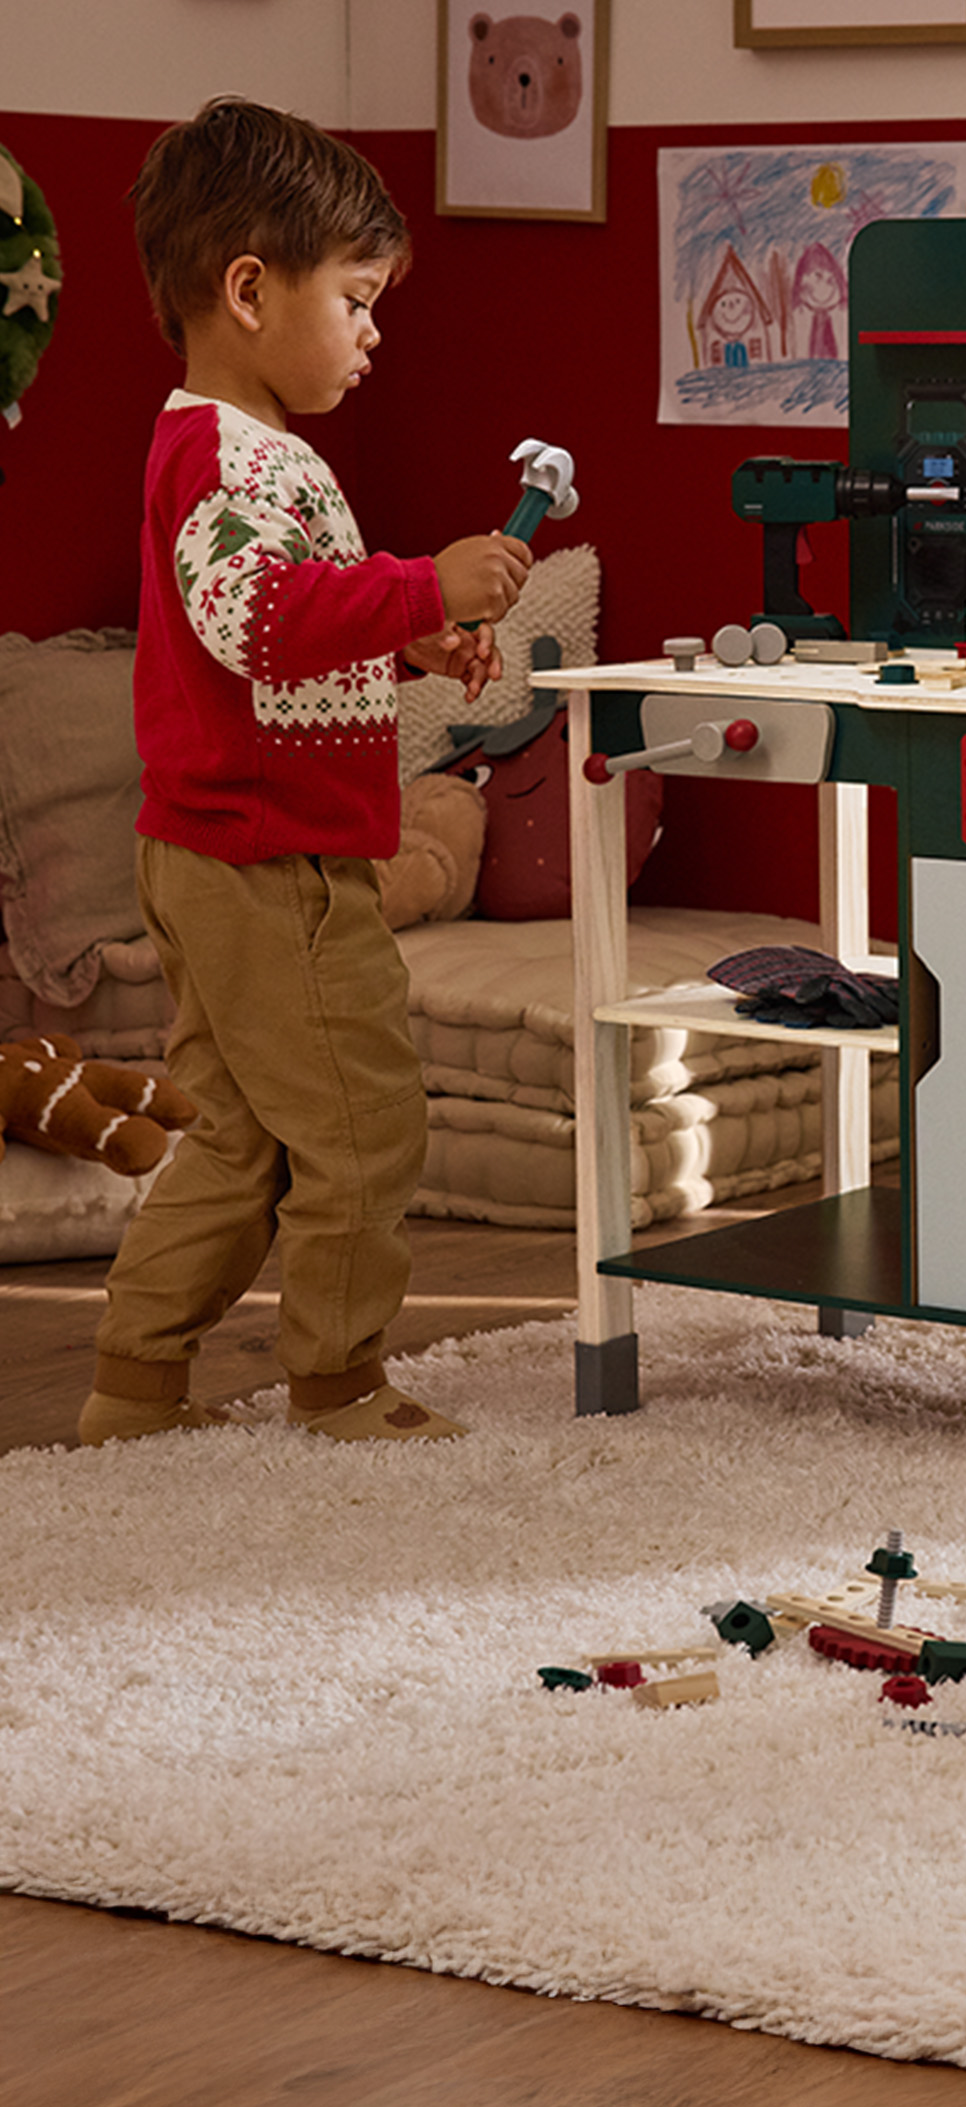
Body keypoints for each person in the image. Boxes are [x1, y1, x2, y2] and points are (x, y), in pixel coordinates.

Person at [80, 98, 532, 1446]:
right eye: (356, 298)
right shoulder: (227, 455)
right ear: (248, 289)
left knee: (240, 1139)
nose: (373, 332)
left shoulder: (248, 452)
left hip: (225, 843)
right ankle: (337, 1379)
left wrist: (407, 645)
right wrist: (414, 586)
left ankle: (134, 1379)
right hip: (266, 863)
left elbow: (270, 657)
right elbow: (257, 618)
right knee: (365, 1122)